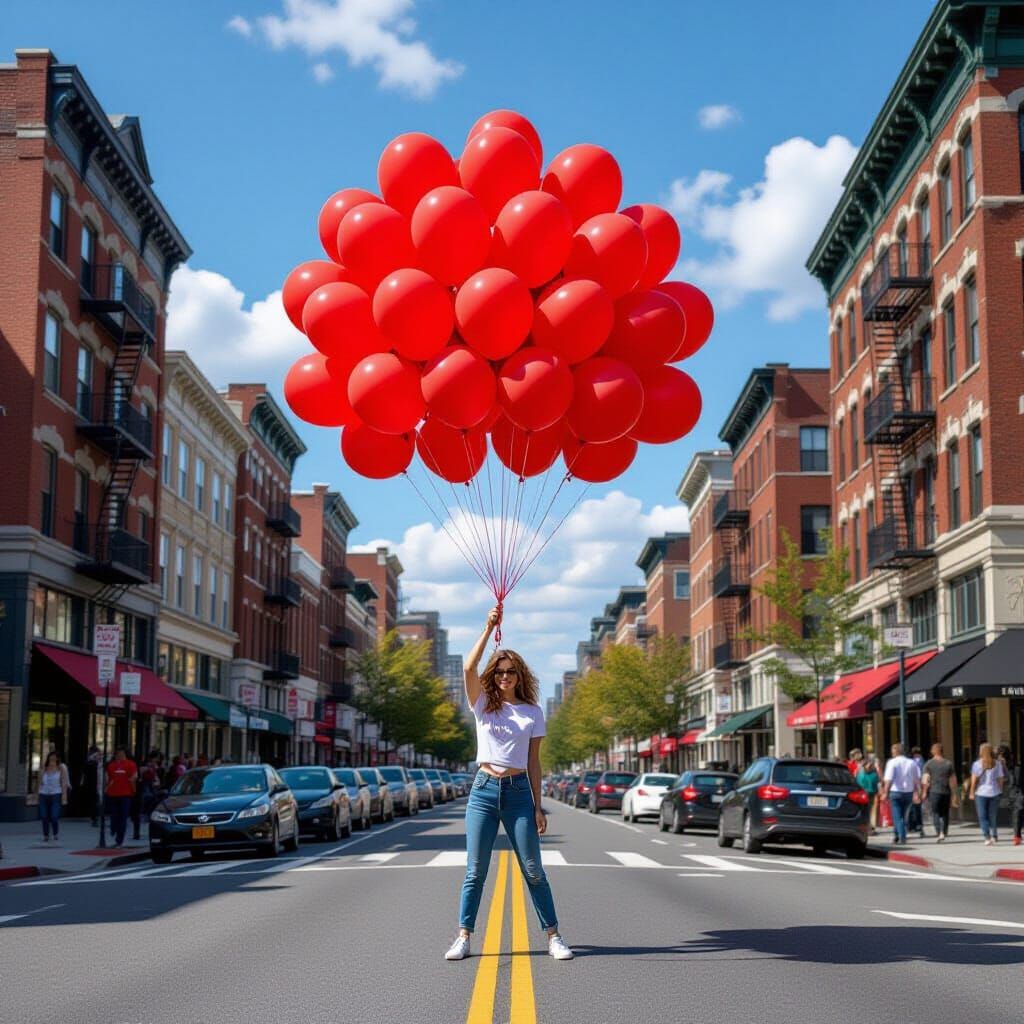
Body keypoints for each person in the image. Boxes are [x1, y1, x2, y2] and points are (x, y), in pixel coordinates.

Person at [445, 607, 572, 963]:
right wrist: (488, 628)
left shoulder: (532, 712)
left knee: (533, 869)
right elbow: (468, 668)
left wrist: (538, 806)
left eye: (510, 671)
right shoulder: (483, 704)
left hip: (518, 794)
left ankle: (554, 936)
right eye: (499, 671)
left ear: (520, 675)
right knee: (475, 872)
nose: (504, 676)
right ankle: (464, 936)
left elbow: (534, 762)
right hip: (483, 791)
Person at [881, 742, 921, 845]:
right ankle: (896, 835)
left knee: (897, 816)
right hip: (908, 792)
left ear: (895, 752)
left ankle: (902, 836)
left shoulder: (892, 762)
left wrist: (885, 792)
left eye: (892, 751)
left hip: (896, 791)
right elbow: (916, 779)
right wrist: (917, 792)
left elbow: (888, 779)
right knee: (902, 816)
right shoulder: (912, 763)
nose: (891, 753)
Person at [968, 742, 1005, 845]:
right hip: (994, 792)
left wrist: (971, 792)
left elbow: (974, 780)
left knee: (982, 816)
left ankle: (987, 837)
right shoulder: (997, 763)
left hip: (981, 793)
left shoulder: (977, 764)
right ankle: (994, 835)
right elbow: (1000, 779)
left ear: (981, 752)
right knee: (993, 816)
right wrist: (1000, 790)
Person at [921, 742, 958, 842]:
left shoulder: (928, 764)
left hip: (934, 792)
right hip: (946, 792)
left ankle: (939, 832)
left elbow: (926, 779)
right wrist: (954, 794)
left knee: (935, 813)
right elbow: (953, 780)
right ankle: (944, 831)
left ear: (933, 751)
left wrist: (924, 792)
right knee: (945, 813)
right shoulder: (948, 763)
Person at [105, 747, 138, 848]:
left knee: (122, 817)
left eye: (121, 753)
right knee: (115, 815)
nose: (119, 755)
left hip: (126, 794)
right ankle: (114, 829)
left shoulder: (131, 764)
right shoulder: (111, 765)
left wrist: (133, 789)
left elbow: (134, 777)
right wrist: (107, 789)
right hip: (113, 794)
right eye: (118, 754)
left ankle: (119, 839)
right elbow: (108, 779)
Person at [37, 751, 70, 842]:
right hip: (43, 795)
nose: (52, 760)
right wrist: (37, 796)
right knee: (44, 816)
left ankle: (55, 833)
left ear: (57, 759)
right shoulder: (44, 768)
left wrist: (64, 797)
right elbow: (39, 783)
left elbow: (64, 783)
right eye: (51, 758)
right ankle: (46, 835)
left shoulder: (61, 768)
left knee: (54, 816)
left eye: (54, 758)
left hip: (56, 794)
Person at [856, 755, 881, 834]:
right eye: (869, 765)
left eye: (871, 765)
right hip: (863, 795)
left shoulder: (873, 774)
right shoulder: (861, 774)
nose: (870, 766)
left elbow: (878, 783)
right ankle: (866, 828)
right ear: (864, 766)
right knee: (865, 812)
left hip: (871, 794)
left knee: (868, 811)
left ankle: (868, 827)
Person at [82, 745, 102, 826]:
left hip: (98, 784)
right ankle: (95, 818)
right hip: (93, 785)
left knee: (96, 801)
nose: (98, 757)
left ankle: (96, 817)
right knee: (95, 801)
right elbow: (85, 772)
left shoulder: (100, 763)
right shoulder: (90, 763)